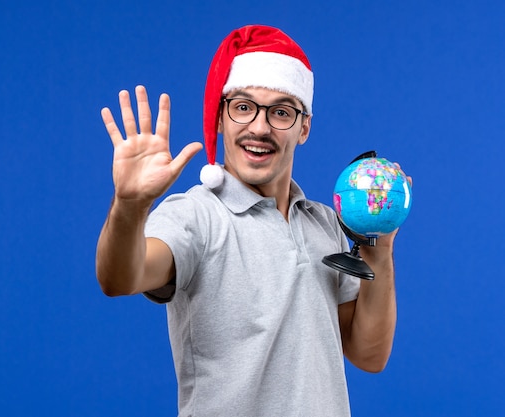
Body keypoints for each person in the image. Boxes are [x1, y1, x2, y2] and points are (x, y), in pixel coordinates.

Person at [96, 24, 408, 417]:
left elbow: (369, 355)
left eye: (281, 112)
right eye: (243, 107)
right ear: (221, 118)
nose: (259, 127)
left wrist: (379, 248)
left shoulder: (325, 223)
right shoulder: (195, 215)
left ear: (304, 127)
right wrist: (129, 205)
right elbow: (120, 278)